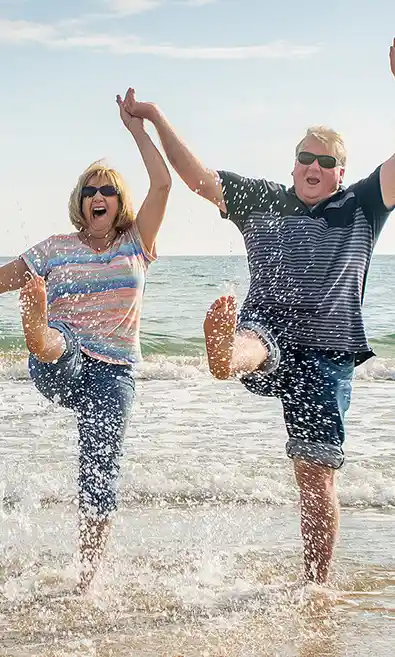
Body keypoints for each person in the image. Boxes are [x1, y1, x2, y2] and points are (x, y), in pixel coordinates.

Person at [123, 40, 395, 585]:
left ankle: (314, 584)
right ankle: (227, 354)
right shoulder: (262, 199)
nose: (313, 167)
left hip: (326, 354)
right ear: (292, 163)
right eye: (305, 157)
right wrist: (151, 119)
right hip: (266, 330)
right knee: (257, 341)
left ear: (341, 173)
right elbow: (197, 178)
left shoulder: (363, 204)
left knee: (315, 475)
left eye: (326, 162)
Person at [0, 88, 171, 592]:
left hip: (115, 373)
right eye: (90, 190)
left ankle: (88, 576)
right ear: (80, 201)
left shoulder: (138, 242)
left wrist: (139, 128)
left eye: (109, 191)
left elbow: (163, 183)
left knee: (100, 466)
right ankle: (37, 331)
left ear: (120, 203)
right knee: (60, 344)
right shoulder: (54, 247)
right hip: (63, 359)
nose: (99, 197)